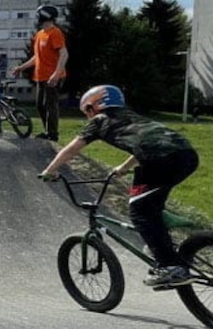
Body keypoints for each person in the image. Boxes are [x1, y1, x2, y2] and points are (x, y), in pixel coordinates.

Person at [39, 85, 200, 289]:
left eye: (86, 111)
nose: (87, 116)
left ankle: (171, 267)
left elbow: (71, 149)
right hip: (187, 155)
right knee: (148, 203)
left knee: (138, 211)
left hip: (159, 161)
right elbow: (145, 142)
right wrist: (123, 168)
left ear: (93, 106)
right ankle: (165, 242)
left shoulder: (99, 120)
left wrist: (50, 170)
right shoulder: (132, 116)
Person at [11, 5, 68, 141]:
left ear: (44, 16)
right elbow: (37, 57)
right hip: (41, 77)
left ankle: (52, 134)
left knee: (50, 105)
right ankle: (47, 131)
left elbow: (64, 54)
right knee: (40, 105)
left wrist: (56, 74)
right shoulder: (40, 34)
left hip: (52, 76)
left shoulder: (55, 33)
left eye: (38, 15)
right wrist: (21, 68)